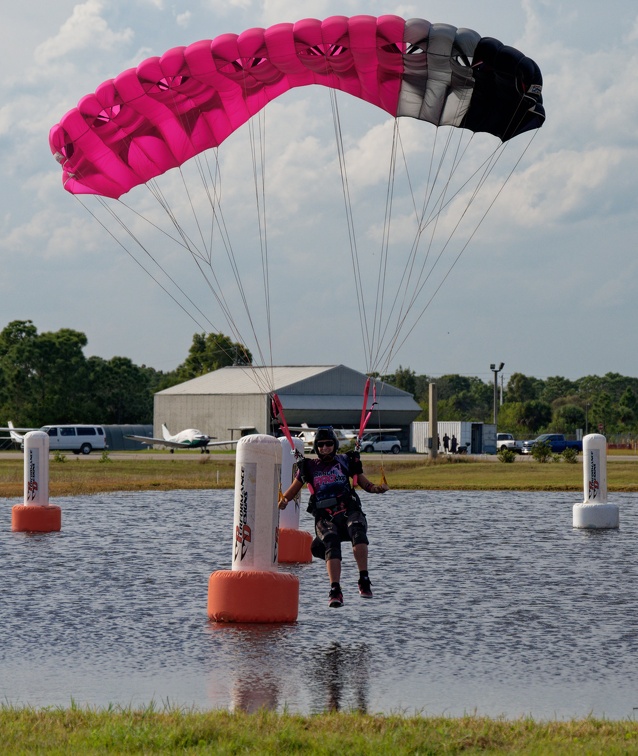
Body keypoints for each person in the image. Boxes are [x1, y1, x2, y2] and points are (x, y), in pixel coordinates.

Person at [279, 426, 387, 608]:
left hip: (348, 510)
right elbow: (292, 492)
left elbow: (365, 484)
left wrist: (378, 489)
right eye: (320, 445)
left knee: (358, 531)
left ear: (334, 445)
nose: (325, 448)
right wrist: (282, 502)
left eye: (329, 444)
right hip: (325, 516)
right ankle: (335, 590)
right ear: (316, 448)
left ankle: (364, 579)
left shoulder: (346, 461)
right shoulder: (309, 466)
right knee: (331, 541)